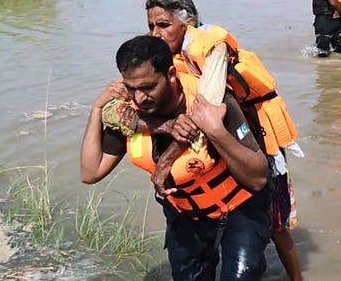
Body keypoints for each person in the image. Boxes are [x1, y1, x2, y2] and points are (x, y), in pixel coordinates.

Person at [81, 35, 271, 280]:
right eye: (131, 88)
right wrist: (97, 109)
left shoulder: (212, 102)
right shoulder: (129, 117)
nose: (139, 98)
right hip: (186, 215)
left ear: (171, 74)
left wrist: (215, 131)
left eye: (148, 87)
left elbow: (258, 178)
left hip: (239, 208)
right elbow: (90, 172)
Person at [144, 0, 304, 281]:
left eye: (163, 25)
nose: (155, 33)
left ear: (188, 23)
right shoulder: (171, 59)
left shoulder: (210, 46)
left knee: (276, 223)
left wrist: (166, 161)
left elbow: (206, 106)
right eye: (151, 26)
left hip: (257, 135)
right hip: (224, 141)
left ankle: (297, 278)